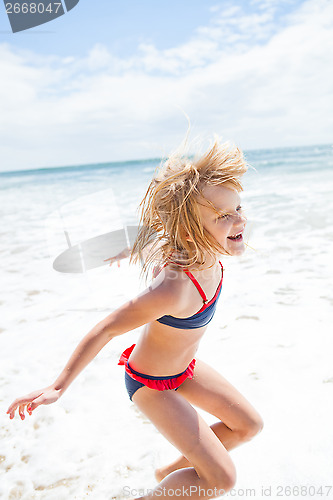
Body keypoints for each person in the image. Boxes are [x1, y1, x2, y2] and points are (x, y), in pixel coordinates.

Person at [7, 137, 263, 499]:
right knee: (221, 480)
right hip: (151, 383)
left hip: (184, 369)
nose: (240, 220)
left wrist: (127, 248)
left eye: (238, 208)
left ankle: (166, 472)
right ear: (192, 231)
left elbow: (157, 238)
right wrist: (58, 386)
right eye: (224, 216)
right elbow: (107, 327)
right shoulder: (173, 289)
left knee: (248, 425)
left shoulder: (193, 248)